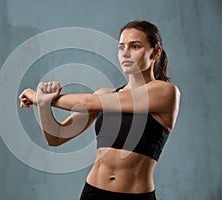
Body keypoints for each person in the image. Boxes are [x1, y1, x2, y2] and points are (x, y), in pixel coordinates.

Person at [19, 20, 181, 200]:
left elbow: (89, 103)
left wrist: (38, 98)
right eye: (121, 47)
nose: (126, 53)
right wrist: (43, 104)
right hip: (93, 192)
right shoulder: (105, 95)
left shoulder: (165, 92)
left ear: (156, 52)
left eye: (135, 46)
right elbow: (56, 136)